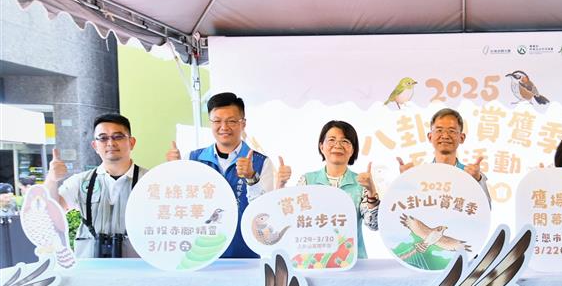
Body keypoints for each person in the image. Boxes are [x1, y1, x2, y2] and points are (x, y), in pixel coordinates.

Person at [167, 92, 291, 258]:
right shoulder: (193, 158)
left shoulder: (261, 162)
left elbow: (264, 212)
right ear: (210, 123)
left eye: (231, 121)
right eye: (217, 121)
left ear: (243, 123)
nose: (224, 127)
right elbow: (180, 203)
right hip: (202, 253)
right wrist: (173, 170)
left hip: (246, 254)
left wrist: (251, 178)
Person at [44, 113, 145, 258]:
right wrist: (52, 179)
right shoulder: (80, 181)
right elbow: (51, 213)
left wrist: (174, 172)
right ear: (95, 146)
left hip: (138, 266)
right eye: (103, 138)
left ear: (131, 142)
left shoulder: (150, 181)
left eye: (118, 136)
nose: (110, 143)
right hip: (90, 266)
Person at [299, 120, 379, 259]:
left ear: (352, 150)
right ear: (321, 146)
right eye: (331, 140)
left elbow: (374, 225)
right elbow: (295, 221)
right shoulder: (307, 181)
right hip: (314, 261)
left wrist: (371, 192)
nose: (338, 145)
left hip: (354, 261)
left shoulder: (361, 183)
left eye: (345, 141)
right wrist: (280, 184)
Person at [398, 107, 490, 201]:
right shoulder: (419, 175)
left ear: (462, 138)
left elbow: (485, 207)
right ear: (430, 137)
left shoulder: (471, 174)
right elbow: (404, 205)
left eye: (452, 131)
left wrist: (478, 180)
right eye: (439, 130)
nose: (445, 136)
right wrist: (405, 181)